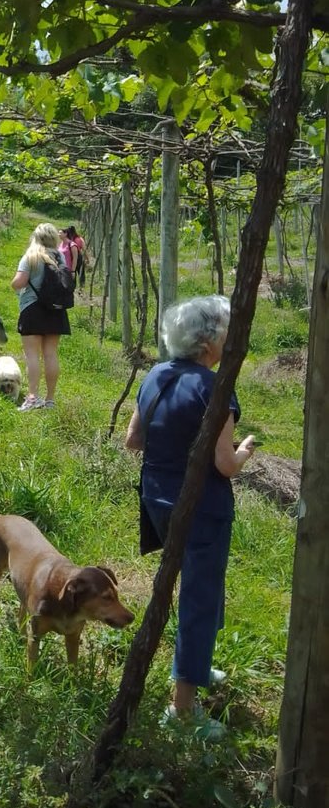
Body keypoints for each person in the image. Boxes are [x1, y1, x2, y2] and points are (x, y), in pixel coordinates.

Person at [125, 295, 256, 740]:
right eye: (223, 329)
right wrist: (244, 452)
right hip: (202, 507)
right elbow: (223, 465)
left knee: (198, 591)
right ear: (207, 340)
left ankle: (196, 664)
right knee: (199, 600)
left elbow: (133, 439)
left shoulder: (155, 375)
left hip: (158, 500)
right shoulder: (216, 388)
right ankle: (182, 710)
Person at [11, 222, 69, 410]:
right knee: (51, 354)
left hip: (33, 308)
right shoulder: (59, 256)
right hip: (56, 310)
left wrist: (14, 282)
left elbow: (19, 283)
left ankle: (33, 397)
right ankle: (50, 400)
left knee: (32, 356)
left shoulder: (31, 256)